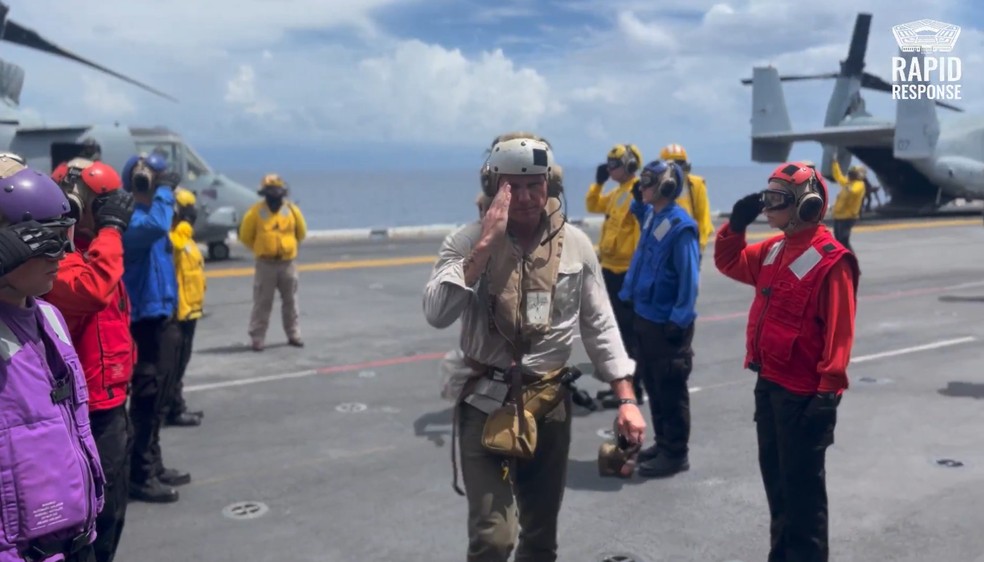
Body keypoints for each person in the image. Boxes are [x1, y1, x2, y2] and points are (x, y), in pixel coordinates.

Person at [424, 135, 646, 562]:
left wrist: (626, 399)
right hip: (484, 399)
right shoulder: (465, 242)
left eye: (534, 184)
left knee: (541, 537)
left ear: (551, 184)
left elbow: (599, 323)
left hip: (549, 402)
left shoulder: (577, 245)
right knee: (493, 539)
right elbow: (437, 312)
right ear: (493, 187)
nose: (525, 197)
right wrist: (485, 246)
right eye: (512, 186)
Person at [714, 162, 860, 562]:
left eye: (776, 199)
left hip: (804, 398)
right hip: (771, 385)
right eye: (767, 196)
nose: (767, 206)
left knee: (804, 503)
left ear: (807, 205)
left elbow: (839, 333)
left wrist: (828, 395)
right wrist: (735, 228)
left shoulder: (832, 261)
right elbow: (729, 263)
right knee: (778, 489)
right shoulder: (776, 248)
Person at [0, 163, 106, 562]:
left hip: (77, 539)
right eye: (41, 240)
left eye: (62, 236)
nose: (63, 253)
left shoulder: (50, 318)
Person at [45, 159, 137, 562]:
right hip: (83, 409)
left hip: (112, 399)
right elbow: (92, 290)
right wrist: (112, 229)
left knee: (114, 509)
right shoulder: (53, 259)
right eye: (99, 206)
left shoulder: (97, 252)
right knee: (90, 519)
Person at [619, 160, 700, 478]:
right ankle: (664, 443)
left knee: (670, 388)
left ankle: (676, 453)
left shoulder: (681, 226)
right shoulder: (654, 215)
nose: (642, 187)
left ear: (666, 187)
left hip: (666, 323)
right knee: (653, 384)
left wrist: (678, 320)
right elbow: (637, 210)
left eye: (648, 183)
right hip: (645, 317)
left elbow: (689, 279)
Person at [120, 152, 189, 503]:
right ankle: (140, 474)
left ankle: (154, 464)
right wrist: (163, 189)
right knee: (146, 399)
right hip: (142, 323)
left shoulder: (156, 214)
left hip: (162, 316)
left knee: (160, 397)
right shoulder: (131, 220)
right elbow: (159, 226)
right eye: (140, 176)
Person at [585, 143, 645, 405]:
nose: (610, 169)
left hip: (626, 272)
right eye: (608, 165)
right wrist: (597, 184)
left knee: (629, 334)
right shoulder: (619, 192)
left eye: (615, 165)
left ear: (630, 165)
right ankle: (622, 385)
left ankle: (634, 389)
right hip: (610, 269)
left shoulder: (637, 193)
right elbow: (593, 205)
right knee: (616, 332)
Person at [238, 173, 307, 351]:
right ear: (264, 193)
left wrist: (289, 248)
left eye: (277, 190)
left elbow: (301, 232)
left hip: (287, 263)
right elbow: (245, 236)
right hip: (265, 264)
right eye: (271, 190)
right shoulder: (255, 212)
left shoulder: (292, 211)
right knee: (262, 301)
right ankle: (257, 337)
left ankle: (294, 334)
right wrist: (261, 249)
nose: (275, 194)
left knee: (291, 301)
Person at [164, 187, 206, 427]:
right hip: (178, 312)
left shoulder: (186, 238)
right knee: (174, 364)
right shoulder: (174, 236)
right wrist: (184, 224)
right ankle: (172, 409)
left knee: (181, 363)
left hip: (190, 310)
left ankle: (176, 404)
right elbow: (174, 246)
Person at [659, 143, 715, 259]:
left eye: (679, 164)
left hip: (688, 243)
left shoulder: (696, 185)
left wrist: (699, 247)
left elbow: (704, 219)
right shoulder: (656, 187)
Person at [828, 157, 865, 253]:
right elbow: (838, 176)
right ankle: (845, 258)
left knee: (844, 240)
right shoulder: (848, 183)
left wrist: (847, 187)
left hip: (848, 217)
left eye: (853, 173)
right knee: (839, 240)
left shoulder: (859, 184)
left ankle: (850, 259)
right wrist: (835, 163)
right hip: (839, 216)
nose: (850, 175)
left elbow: (854, 191)